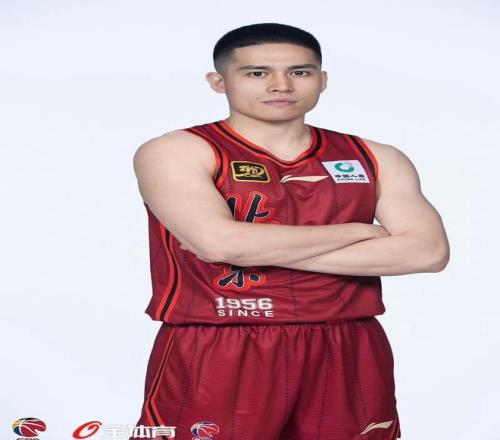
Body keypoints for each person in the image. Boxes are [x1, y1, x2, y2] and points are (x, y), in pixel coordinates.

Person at [129, 22, 450, 440]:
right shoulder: (176, 150)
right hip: (221, 339)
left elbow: (428, 252)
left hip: (348, 340)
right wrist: (360, 231)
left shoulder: (375, 157)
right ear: (218, 82)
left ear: (322, 80)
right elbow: (218, 243)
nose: (281, 85)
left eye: (299, 72)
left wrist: (255, 246)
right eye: (257, 73)